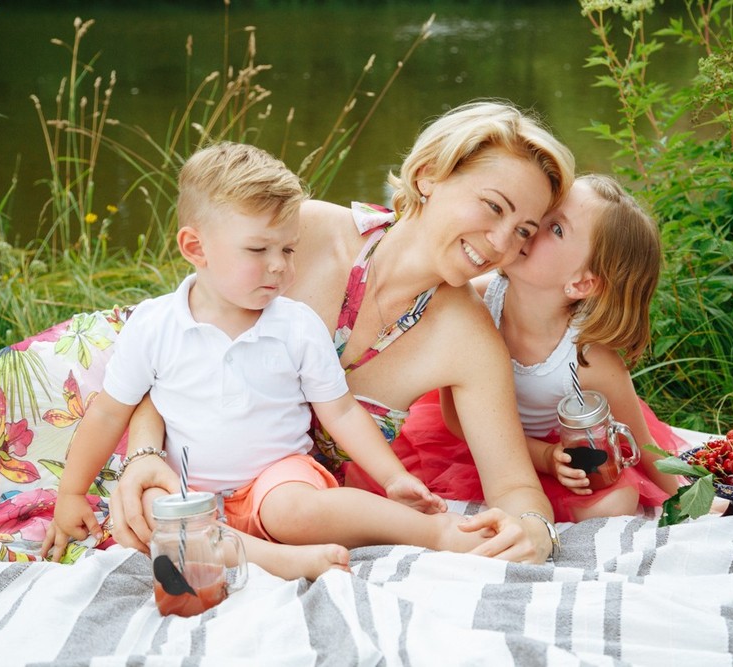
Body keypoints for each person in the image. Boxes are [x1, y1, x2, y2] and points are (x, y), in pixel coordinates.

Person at [108, 99, 577, 564]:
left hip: (291, 505)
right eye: (494, 207)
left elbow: (514, 484)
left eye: (523, 231)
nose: (501, 242)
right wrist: (144, 453)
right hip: (148, 422)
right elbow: (174, 347)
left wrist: (536, 532)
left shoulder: (470, 340)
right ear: (428, 175)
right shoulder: (301, 235)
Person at [40, 142, 491, 578]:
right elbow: (107, 413)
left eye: (287, 249)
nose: (279, 266)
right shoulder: (156, 325)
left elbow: (340, 410)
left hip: (277, 478)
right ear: (196, 248)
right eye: (259, 250)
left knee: (296, 510)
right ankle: (278, 562)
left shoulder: (296, 324)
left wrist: (393, 477)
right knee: (154, 515)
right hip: (187, 487)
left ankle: (434, 531)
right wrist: (72, 492)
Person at [352, 175, 684, 522]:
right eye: (543, 213)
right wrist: (541, 456)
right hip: (476, 439)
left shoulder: (589, 359)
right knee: (380, 477)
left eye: (556, 229)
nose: (534, 225)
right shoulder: (475, 300)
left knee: (618, 501)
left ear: (581, 282)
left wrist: (689, 501)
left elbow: (645, 445)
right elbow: (454, 421)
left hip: (552, 446)